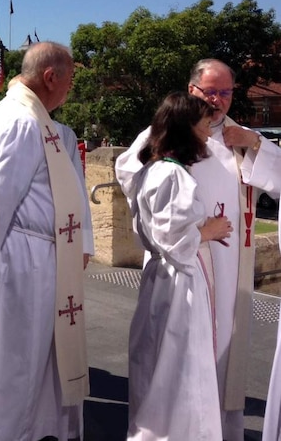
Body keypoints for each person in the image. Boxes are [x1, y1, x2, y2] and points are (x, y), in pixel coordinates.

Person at [116, 59, 281, 441]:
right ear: (192, 91)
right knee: (178, 355)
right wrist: (172, 228)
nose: (219, 101)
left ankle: (219, 430)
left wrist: (254, 144)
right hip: (183, 263)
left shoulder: (239, 136)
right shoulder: (167, 133)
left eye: (226, 93)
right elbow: (129, 172)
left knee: (222, 346)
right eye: (211, 92)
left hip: (229, 264)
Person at [0, 42, 92, 441]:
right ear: (50, 77)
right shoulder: (21, 120)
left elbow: (71, 189)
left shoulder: (39, 120)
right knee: (13, 355)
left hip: (46, 255)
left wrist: (81, 243)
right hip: (23, 256)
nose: (70, 89)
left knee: (41, 352)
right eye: (70, 79)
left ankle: (36, 426)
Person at [117, 92, 230, 440]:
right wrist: (209, 230)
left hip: (168, 280)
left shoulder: (156, 169)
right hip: (180, 284)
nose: (209, 132)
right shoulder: (171, 175)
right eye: (203, 124)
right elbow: (174, 241)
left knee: (162, 364)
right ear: (184, 130)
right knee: (180, 369)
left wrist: (200, 229)